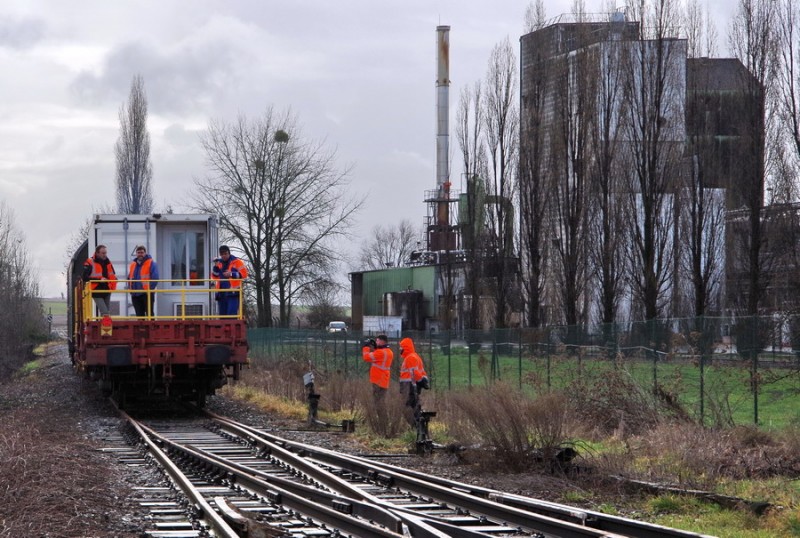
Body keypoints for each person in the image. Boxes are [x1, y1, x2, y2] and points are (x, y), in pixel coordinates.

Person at [398, 337, 430, 426]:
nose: (400, 349)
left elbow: (414, 373)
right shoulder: (415, 356)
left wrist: (420, 380)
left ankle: (415, 426)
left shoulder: (410, 358)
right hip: (413, 387)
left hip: (410, 387)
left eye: (401, 347)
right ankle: (420, 427)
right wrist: (423, 381)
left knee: (406, 407)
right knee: (415, 407)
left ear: (406, 348)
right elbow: (421, 372)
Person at [211, 245, 248, 316]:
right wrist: (215, 267)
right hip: (221, 293)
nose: (223, 256)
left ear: (229, 253)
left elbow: (244, 274)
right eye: (222, 254)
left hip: (233, 293)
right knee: (222, 316)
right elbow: (214, 277)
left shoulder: (237, 262)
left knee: (231, 316)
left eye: (225, 254)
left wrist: (231, 274)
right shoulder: (219, 263)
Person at [82, 244, 117, 316]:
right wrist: (99, 279)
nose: (105, 255)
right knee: (105, 313)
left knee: (107, 312)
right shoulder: (90, 262)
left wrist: (114, 283)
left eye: (105, 253)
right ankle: (106, 326)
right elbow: (84, 277)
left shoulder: (108, 262)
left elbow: (112, 274)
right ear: (97, 253)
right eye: (103, 253)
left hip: (107, 289)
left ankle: (103, 326)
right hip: (96, 290)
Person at [127, 245, 159, 318]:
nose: (140, 254)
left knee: (149, 314)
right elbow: (129, 277)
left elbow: (155, 278)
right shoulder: (133, 265)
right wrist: (130, 289)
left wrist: (149, 289)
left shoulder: (151, 263)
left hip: (146, 293)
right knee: (139, 315)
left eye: (142, 252)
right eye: (138, 252)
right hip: (135, 294)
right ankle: (141, 329)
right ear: (136, 254)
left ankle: (151, 328)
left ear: (145, 253)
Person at [362, 334, 394, 402]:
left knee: (377, 402)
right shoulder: (389, 352)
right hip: (384, 380)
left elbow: (366, 357)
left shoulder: (380, 352)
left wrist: (366, 347)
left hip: (378, 380)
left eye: (377, 341)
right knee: (381, 401)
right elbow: (379, 357)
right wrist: (376, 347)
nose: (376, 342)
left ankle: (380, 413)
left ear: (382, 341)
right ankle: (383, 413)